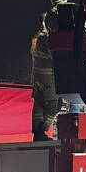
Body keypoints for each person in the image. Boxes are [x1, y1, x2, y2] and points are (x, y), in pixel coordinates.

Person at [30, 12, 60, 141]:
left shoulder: (36, 37)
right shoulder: (45, 38)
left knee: (39, 105)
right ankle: (43, 128)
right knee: (54, 105)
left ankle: (38, 133)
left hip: (37, 77)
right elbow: (54, 56)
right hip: (48, 77)